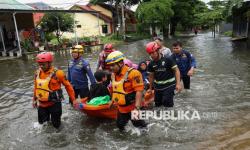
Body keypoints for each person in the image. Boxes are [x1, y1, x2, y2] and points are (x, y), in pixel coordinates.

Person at [105, 51, 147, 131]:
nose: (111, 68)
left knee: (141, 128)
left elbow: (139, 91)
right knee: (120, 126)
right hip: (122, 108)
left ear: (121, 63)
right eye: (110, 66)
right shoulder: (113, 75)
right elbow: (114, 88)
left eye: (113, 65)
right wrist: (111, 100)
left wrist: (137, 108)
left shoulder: (134, 73)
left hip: (133, 107)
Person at [33, 52, 75, 129]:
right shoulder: (37, 73)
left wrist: (73, 100)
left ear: (49, 63)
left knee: (56, 126)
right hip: (42, 105)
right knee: (42, 125)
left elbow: (68, 86)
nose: (41, 66)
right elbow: (36, 87)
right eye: (39, 64)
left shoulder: (59, 73)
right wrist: (34, 100)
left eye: (43, 64)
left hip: (54, 104)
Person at [146, 42, 182, 107]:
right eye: (150, 53)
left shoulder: (168, 59)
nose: (151, 55)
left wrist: (178, 84)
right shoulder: (151, 63)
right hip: (158, 87)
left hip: (169, 85)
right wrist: (150, 88)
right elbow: (151, 76)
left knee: (167, 103)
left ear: (158, 51)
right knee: (158, 104)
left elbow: (176, 70)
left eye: (153, 52)